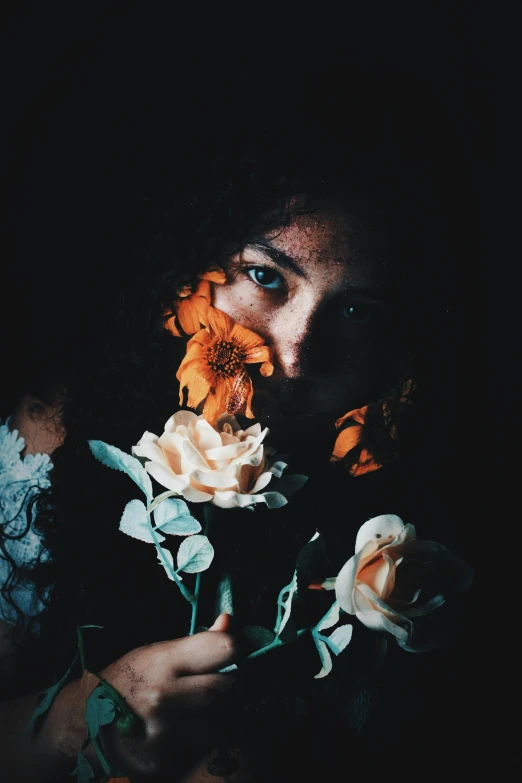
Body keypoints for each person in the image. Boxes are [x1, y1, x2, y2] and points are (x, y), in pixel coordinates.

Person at [0, 57, 482, 782]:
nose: (293, 353)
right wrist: (77, 719)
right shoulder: (55, 441)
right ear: (189, 270)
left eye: (355, 311)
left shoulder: (410, 527)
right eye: (266, 277)